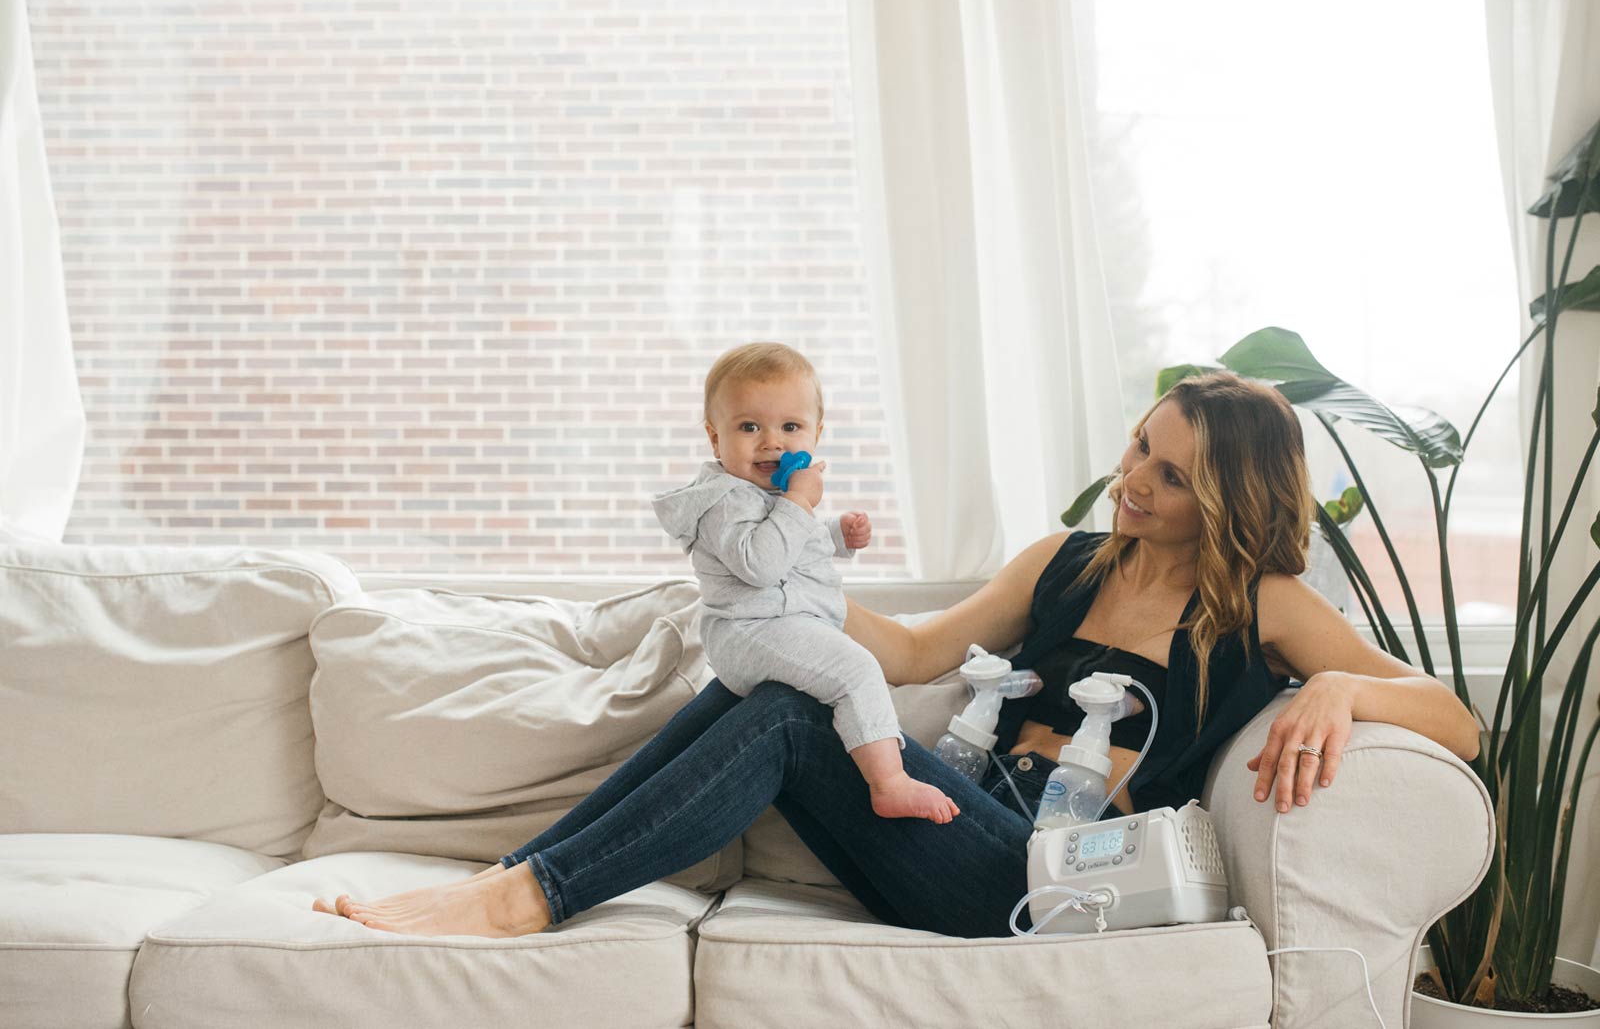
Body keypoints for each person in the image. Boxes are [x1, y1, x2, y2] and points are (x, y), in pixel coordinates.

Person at [311, 370, 1480, 940]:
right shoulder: (1066, 559)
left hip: (1044, 881)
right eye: (1138, 447)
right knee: (768, 675)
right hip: (955, 825)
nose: (1131, 479)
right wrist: (783, 571)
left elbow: (1462, 725)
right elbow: (919, 645)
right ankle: (518, 876)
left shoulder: (1265, 604)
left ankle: (526, 895)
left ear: (1226, 492)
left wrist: (1333, 681)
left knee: (779, 715)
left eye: (1170, 474)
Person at [651, 342, 959, 824]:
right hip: (747, 630)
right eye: (749, 427)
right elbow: (761, 565)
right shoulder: (722, 501)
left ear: (817, 433)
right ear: (715, 440)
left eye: (790, 427)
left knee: (846, 672)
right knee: (856, 669)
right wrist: (799, 502)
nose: (772, 442)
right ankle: (889, 783)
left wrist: (837, 533)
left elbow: (796, 545)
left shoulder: (772, 496)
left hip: (780, 625)